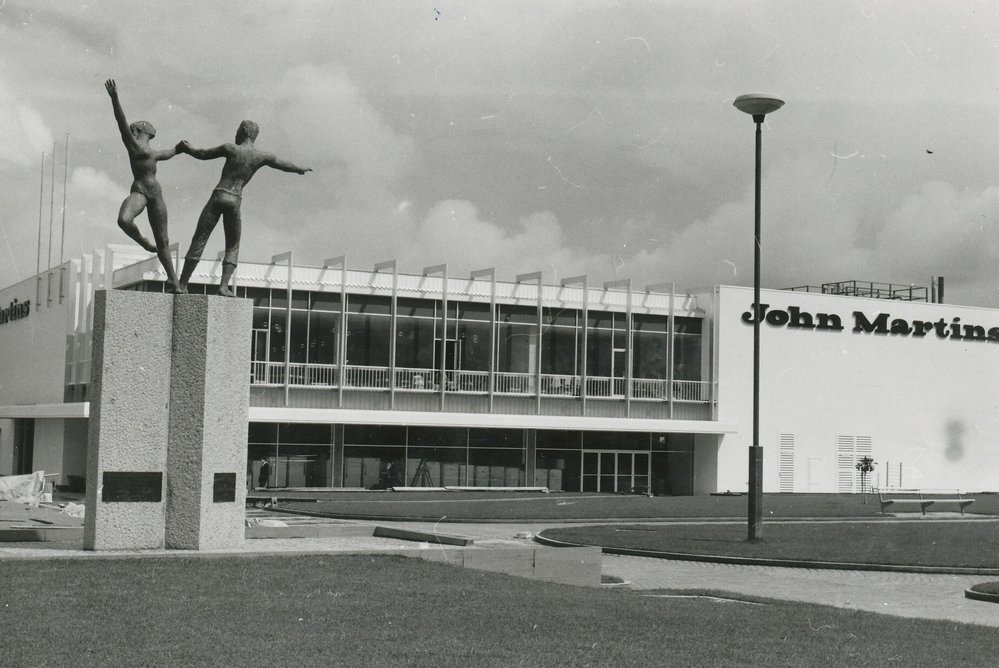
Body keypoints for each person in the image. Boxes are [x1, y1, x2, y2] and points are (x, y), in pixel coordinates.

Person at [175, 121, 312, 296]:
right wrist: (299, 169)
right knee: (232, 245)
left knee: (200, 239)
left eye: (238, 129)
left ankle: (183, 284)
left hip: (219, 195)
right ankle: (223, 286)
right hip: (235, 199)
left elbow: (203, 154)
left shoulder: (231, 148)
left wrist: (189, 148)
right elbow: (282, 163)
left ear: (245, 131)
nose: (236, 132)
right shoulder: (262, 156)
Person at [104, 79, 183, 292]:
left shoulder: (154, 152)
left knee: (164, 240)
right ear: (141, 129)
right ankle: (144, 242)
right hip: (139, 191)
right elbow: (121, 121)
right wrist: (114, 98)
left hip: (155, 194)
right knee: (124, 219)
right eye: (144, 123)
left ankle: (174, 280)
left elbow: (169, 153)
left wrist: (180, 148)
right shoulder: (133, 144)